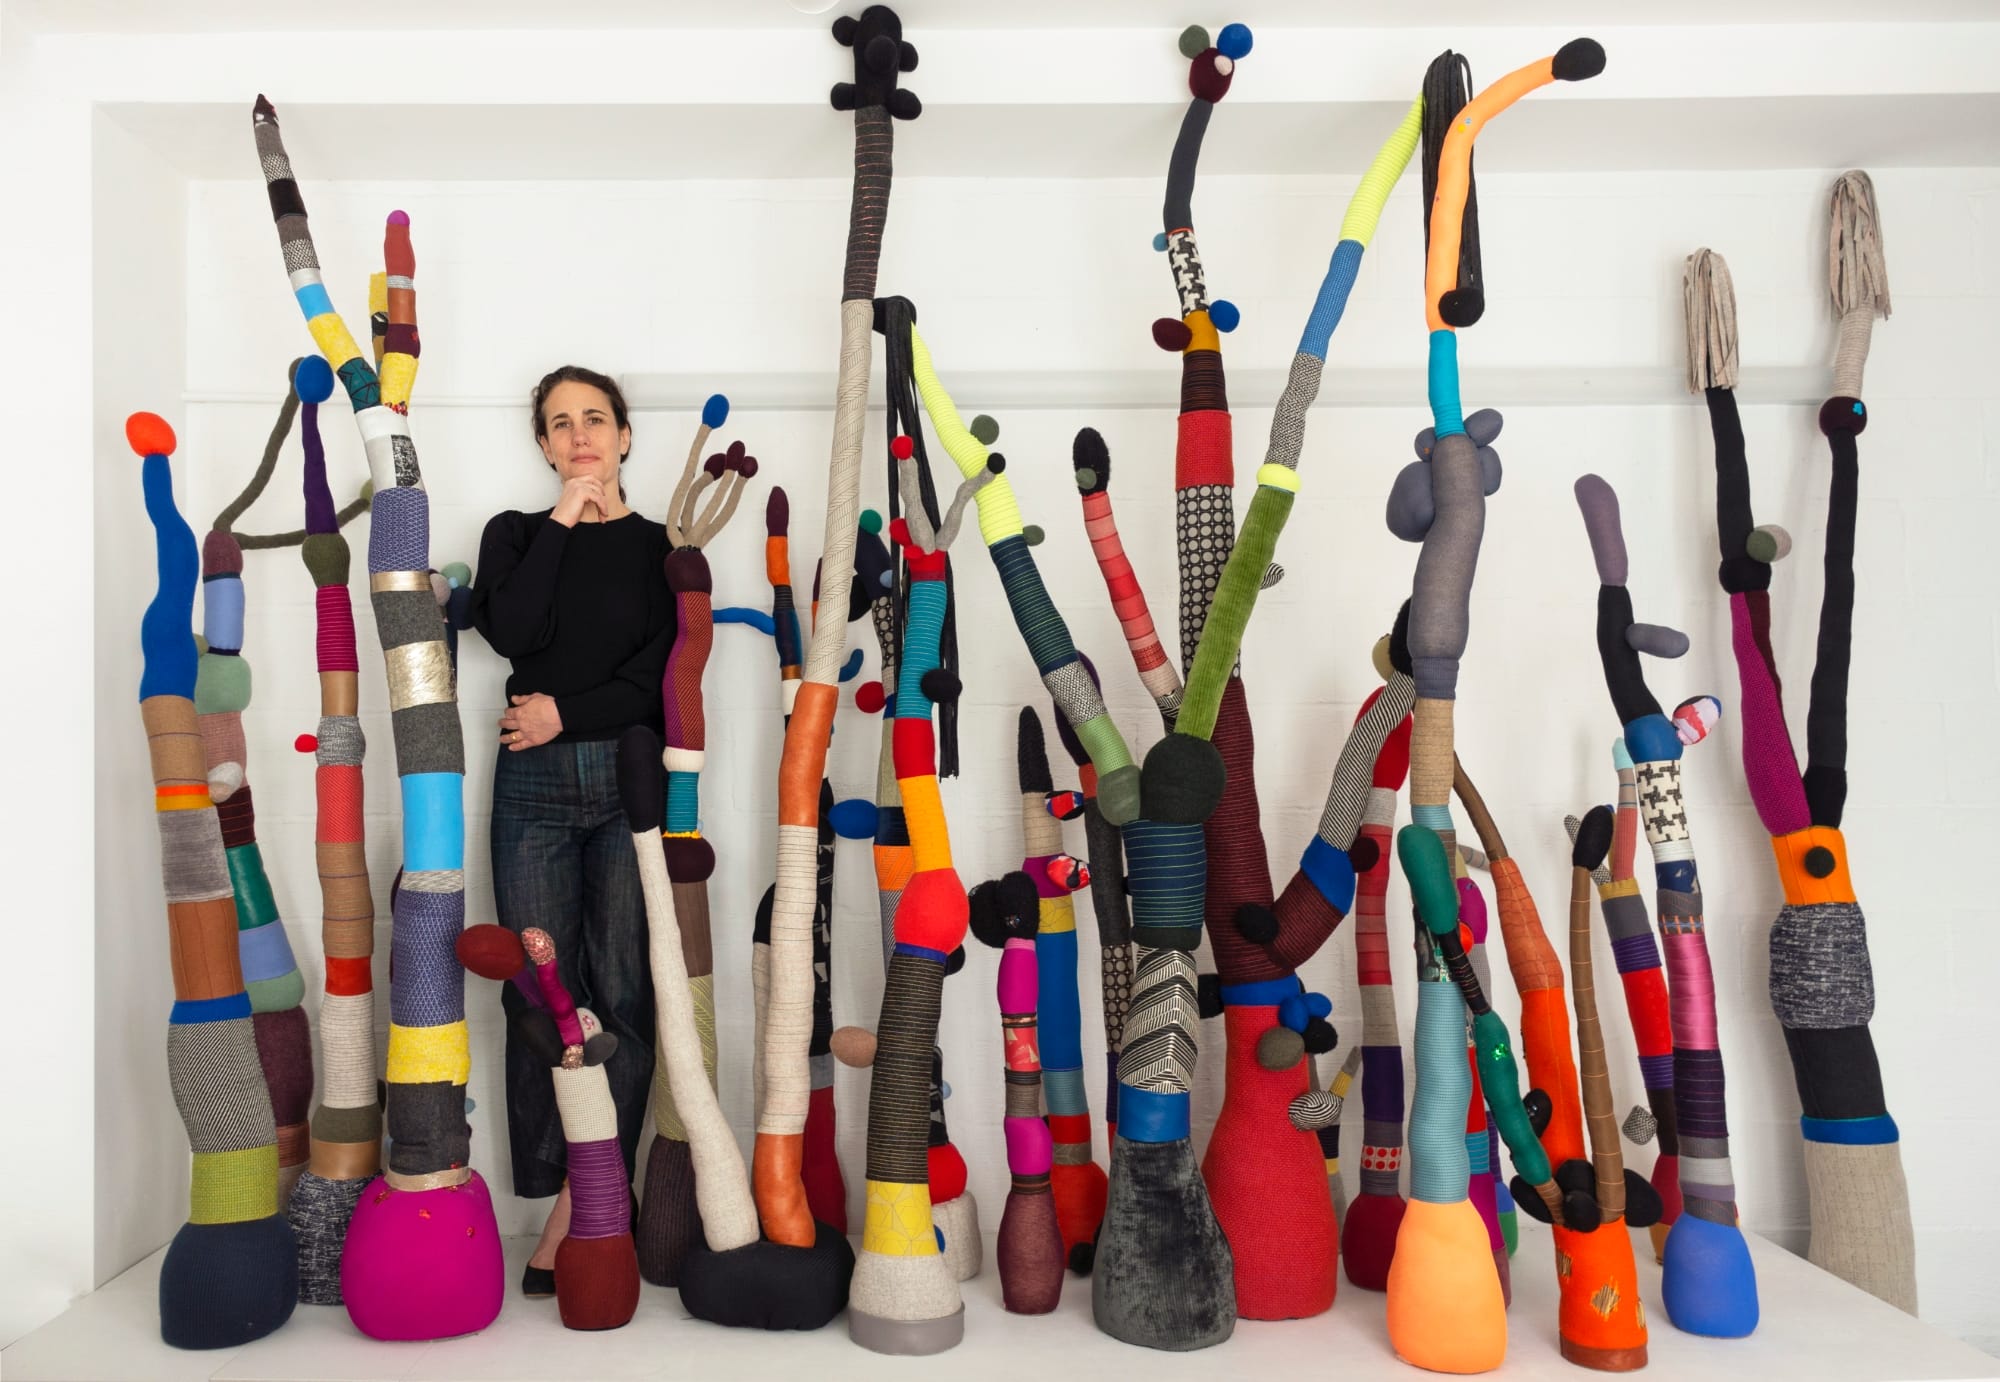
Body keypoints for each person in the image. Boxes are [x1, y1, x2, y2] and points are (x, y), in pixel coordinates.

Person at [470, 365, 668, 1297]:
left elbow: (657, 678)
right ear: (545, 446)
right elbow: (514, 631)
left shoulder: (664, 546)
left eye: (596, 419)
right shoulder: (515, 534)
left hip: (629, 778)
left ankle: (584, 1205)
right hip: (533, 788)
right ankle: (573, 1184)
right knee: (541, 990)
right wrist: (563, 520)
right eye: (560, 424)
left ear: (625, 435)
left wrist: (563, 713)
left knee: (623, 988)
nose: (580, 435)